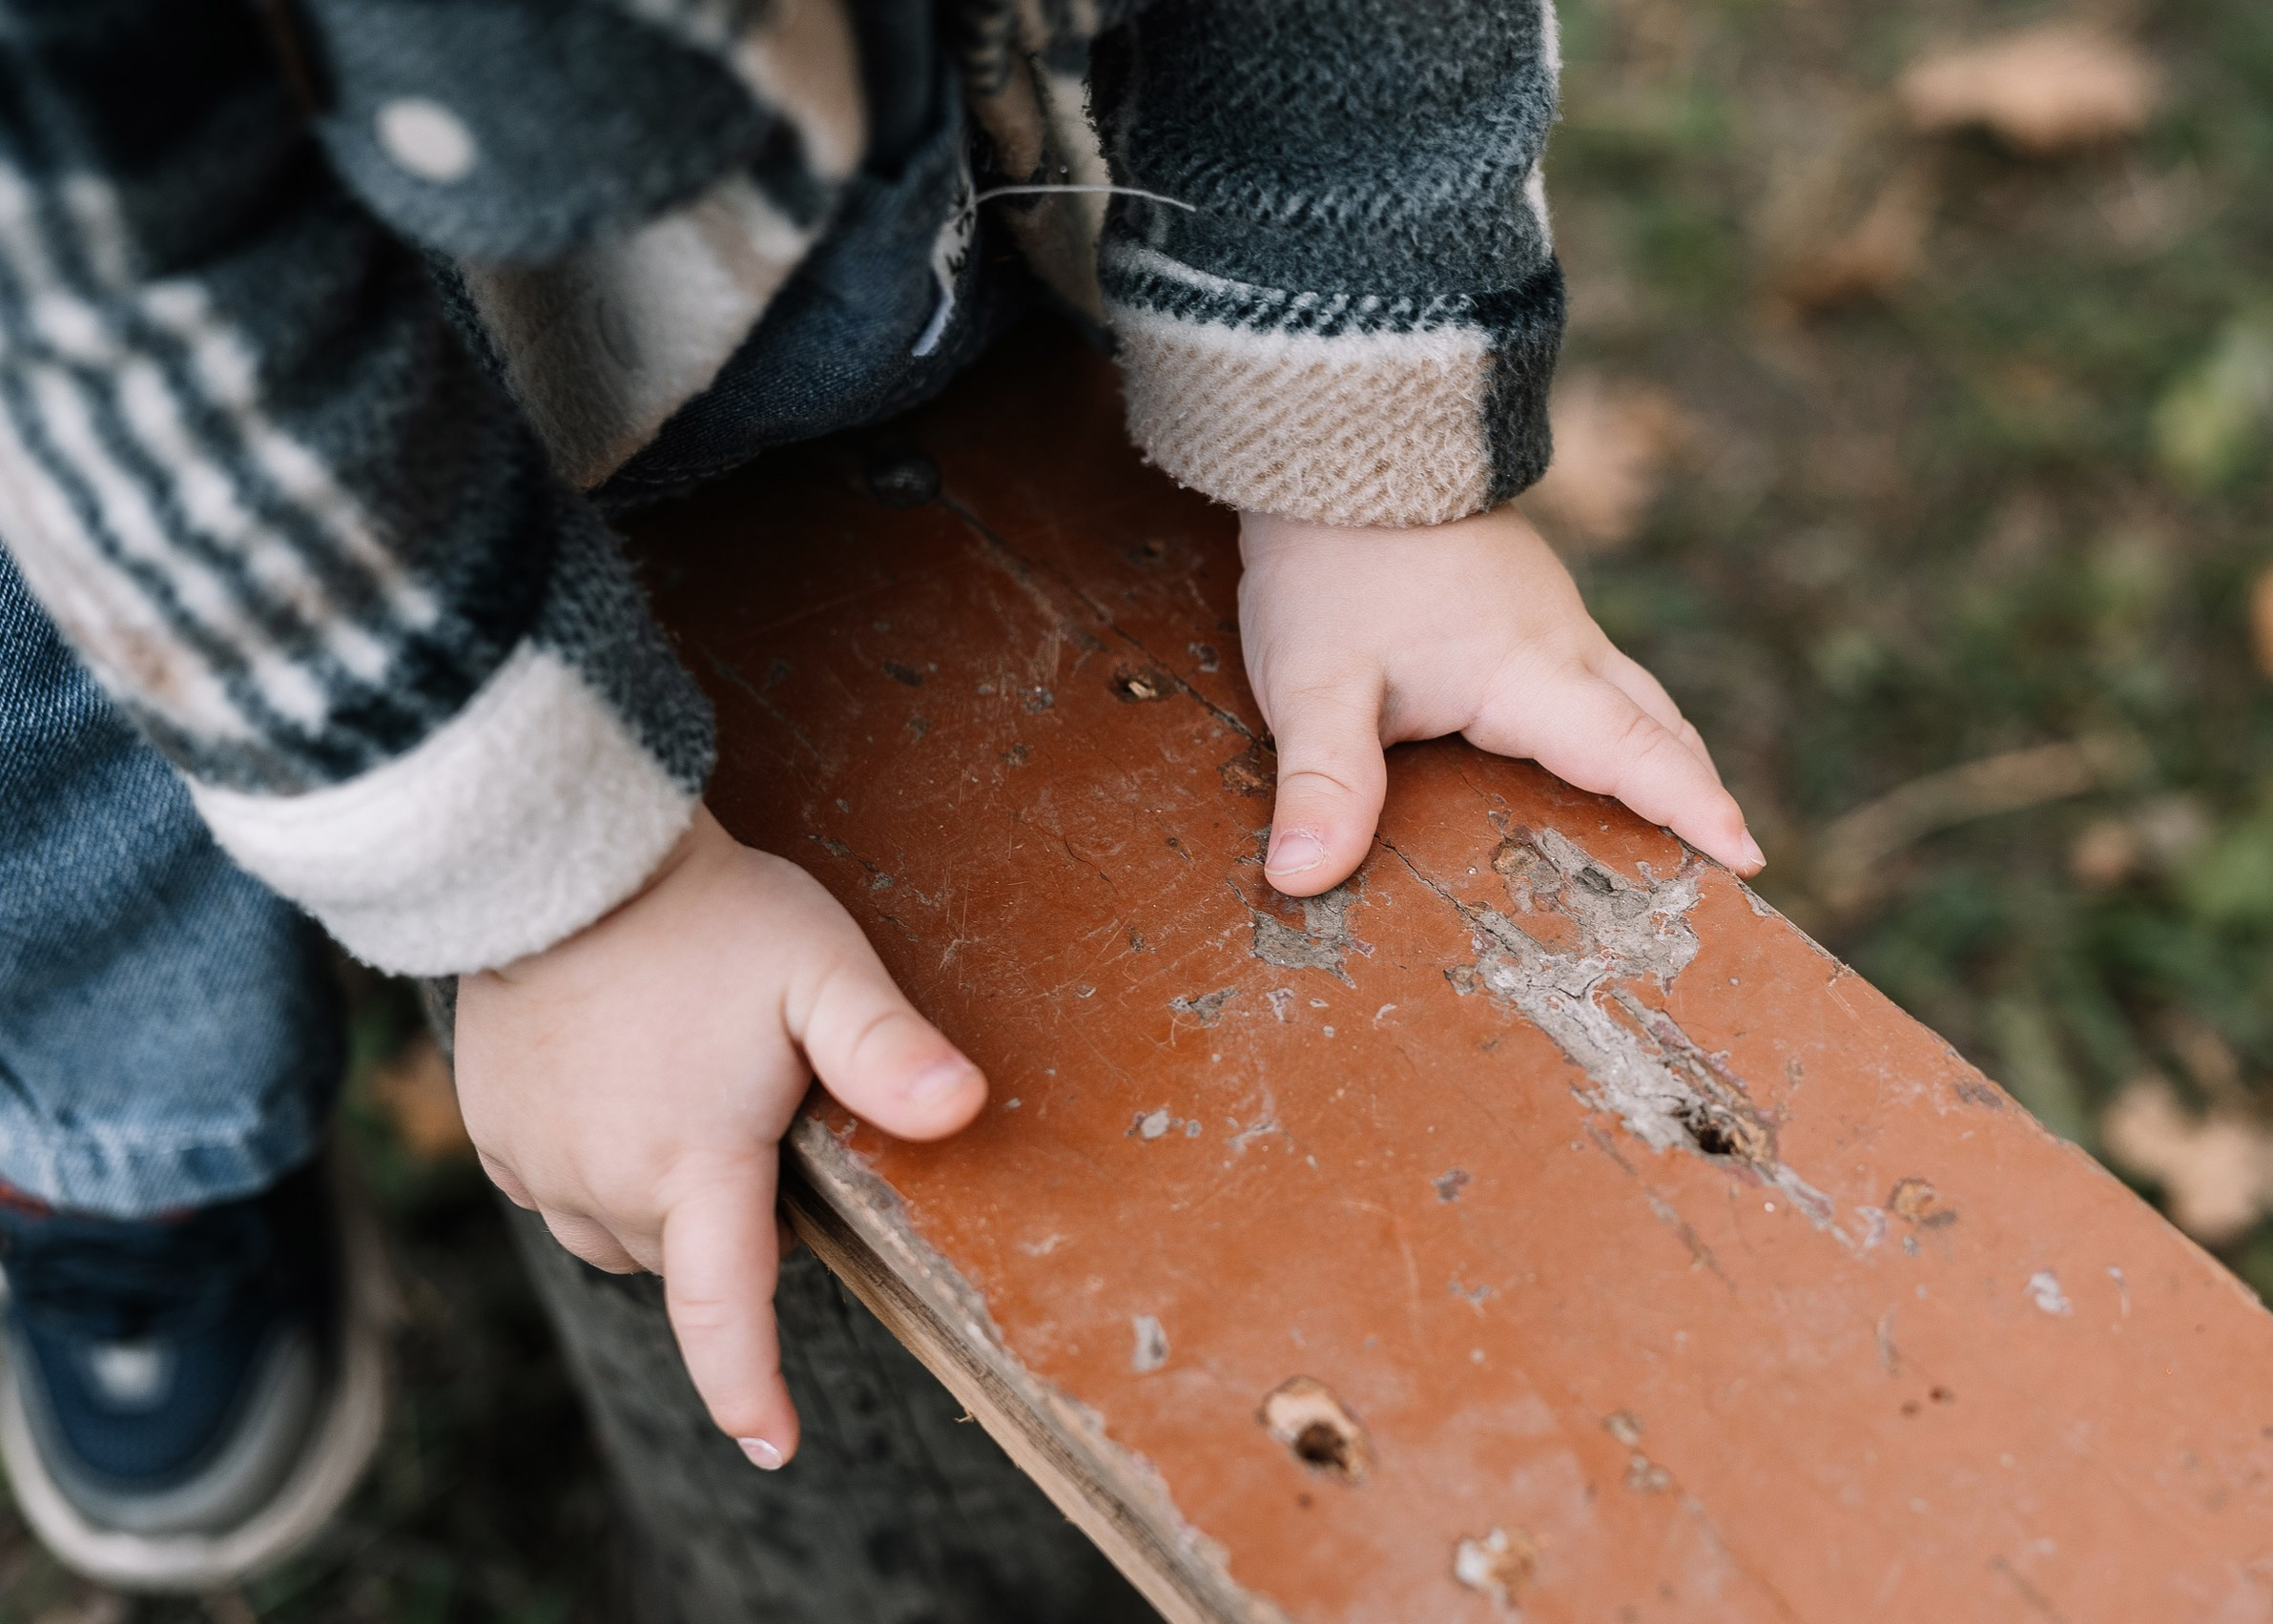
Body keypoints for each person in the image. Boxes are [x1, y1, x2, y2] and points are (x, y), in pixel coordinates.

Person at [0, 0, 1764, 1591]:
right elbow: (122, 327)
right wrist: (557, 897)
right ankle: (125, 1138)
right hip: (154, 402)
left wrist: (1363, 439)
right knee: (76, 795)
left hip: (822, 180)